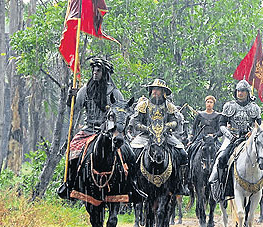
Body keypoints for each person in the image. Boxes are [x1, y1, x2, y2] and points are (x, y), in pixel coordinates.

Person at [66, 57, 124, 190]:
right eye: (94, 70)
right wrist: (71, 97)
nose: (95, 73)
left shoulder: (115, 93)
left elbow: (121, 113)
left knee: (127, 154)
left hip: (109, 132)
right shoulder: (85, 90)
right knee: (72, 149)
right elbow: (74, 109)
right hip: (89, 129)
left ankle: (129, 185)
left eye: (98, 70)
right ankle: (71, 183)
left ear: (105, 73)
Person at [130, 79, 188, 195]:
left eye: (158, 90)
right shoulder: (143, 105)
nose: (155, 92)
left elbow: (175, 121)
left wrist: (167, 126)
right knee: (131, 153)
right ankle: (132, 183)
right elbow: (135, 122)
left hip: (165, 136)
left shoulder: (169, 106)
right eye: (154, 89)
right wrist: (146, 129)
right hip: (146, 136)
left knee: (183, 154)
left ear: (163, 92)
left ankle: (179, 183)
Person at [208, 80, 261, 201]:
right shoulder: (229, 106)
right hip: (232, 137)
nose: (240, 93)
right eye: (238, 91)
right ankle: (219, 184)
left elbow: (258, 125)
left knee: (262, 158)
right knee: (221, 158)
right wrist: (230, 135)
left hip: (248, 138)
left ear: (247, 92)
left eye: (242, 91)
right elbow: (221, 124)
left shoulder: (254, 108)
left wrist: (252, 133)